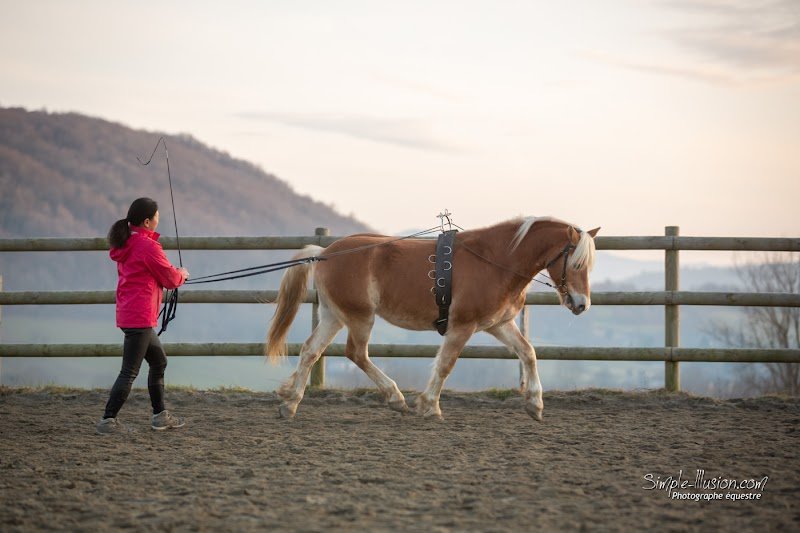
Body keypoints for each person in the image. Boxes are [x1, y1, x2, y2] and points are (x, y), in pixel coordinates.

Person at [96, 197, 190, 434]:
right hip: (140, 316)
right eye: (157, 216)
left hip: (132, 313)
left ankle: (159, 416)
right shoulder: (147, 246)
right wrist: (182, 274)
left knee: (159, 362)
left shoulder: (127, 242)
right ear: (147, 221)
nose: (160, 219)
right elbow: (169, 278)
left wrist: (174, 275)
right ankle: (108, 420)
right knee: (129, 372)